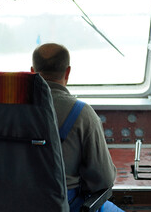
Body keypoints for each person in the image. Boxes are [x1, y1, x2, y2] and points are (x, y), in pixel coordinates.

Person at [31, 43, 123, 212]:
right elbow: (103, 180)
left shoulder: (6, 113)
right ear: (67, 72)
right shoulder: (82, 114)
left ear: (32, 72)